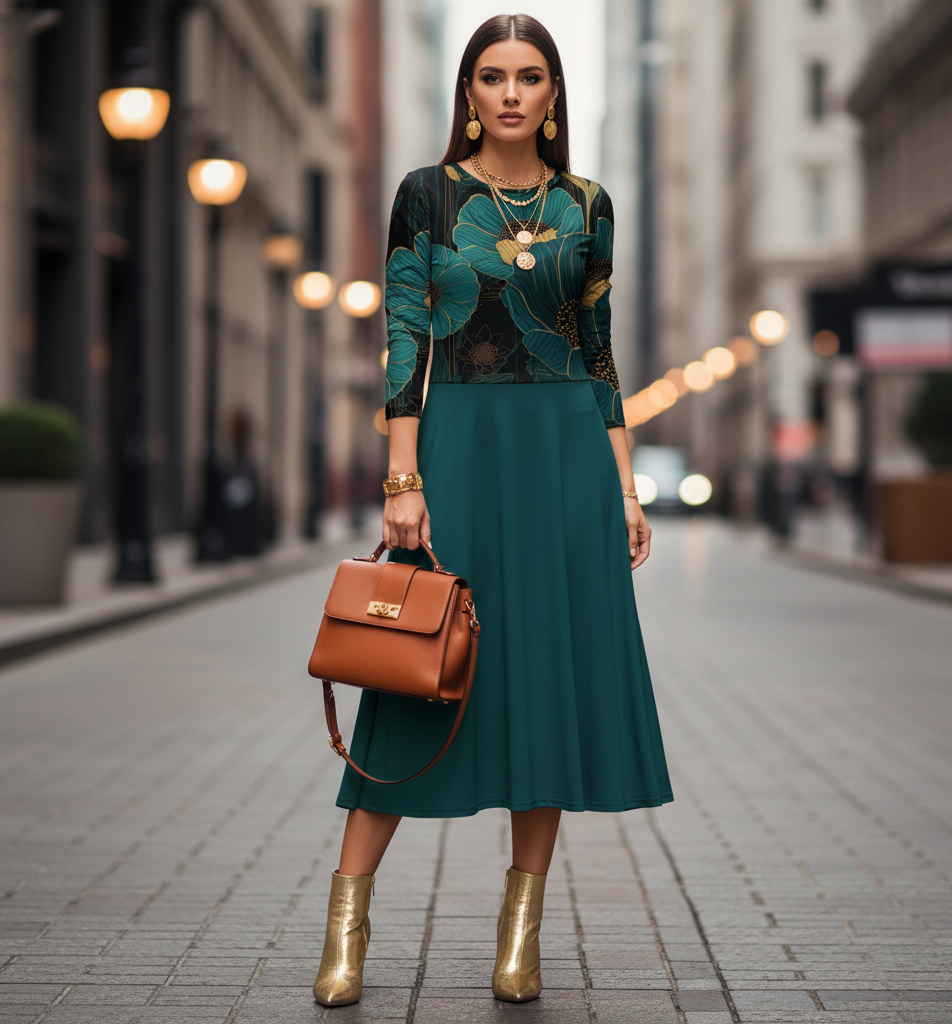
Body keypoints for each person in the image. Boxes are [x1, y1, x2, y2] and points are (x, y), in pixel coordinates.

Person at [313, 13, 673, 1008]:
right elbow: (403, 340)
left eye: (530, 76)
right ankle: (346, 922)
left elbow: (597, 352)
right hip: (460, 449)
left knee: (546, 685)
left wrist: (624, 484)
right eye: (491, 77)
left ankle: (521, 933)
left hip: (566, 458)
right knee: (413, 676)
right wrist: (402, 476)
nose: (510, 93)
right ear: (467, 94)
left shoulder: (588, 203)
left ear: (554, 93)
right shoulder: (425, 197)